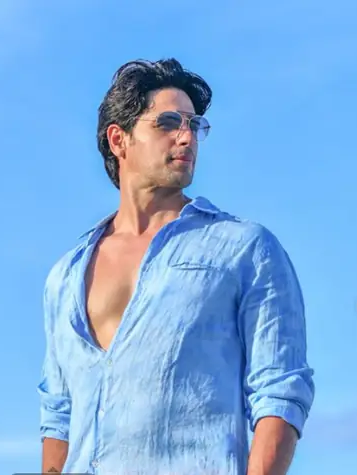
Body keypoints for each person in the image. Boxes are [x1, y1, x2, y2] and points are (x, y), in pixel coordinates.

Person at [37, 58, 315, 475]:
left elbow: (280, 391)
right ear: (119, 139)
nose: (186, 137)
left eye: (194, 125)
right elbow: (59, 414)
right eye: (168, 123)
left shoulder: (244, 250)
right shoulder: (65, 275)